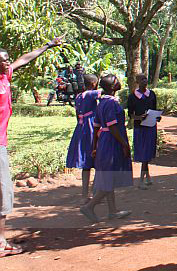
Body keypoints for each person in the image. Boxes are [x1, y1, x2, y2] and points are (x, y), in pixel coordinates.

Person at [0, 37, 63, 257]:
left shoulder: (6, 75)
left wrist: (48, 45)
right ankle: (1, 244)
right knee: (4, 193)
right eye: (3, 61)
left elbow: (24, 59)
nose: (7, 63)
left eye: (7, 60)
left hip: (2, 143)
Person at [81, 74, 133, 223]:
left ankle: (112, 211)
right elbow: (112, 127)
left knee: (108, 177)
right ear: (112, 87)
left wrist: (94, 147)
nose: (119, 81)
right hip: (112, 143)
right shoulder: (111, 104)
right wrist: (124, 144)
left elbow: (97, 127)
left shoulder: (101, 103)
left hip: (104, 142)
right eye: (117, 80)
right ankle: (89, 206)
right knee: (109, 178)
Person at [66, 73, 101, 204]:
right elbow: (106, 91)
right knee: (97, 159)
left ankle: (84, 195)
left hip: (81, 128)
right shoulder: (91, 94)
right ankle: (96, 193)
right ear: (93, 84)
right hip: (92, 127)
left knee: (86, 163)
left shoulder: (78, 96)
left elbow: (77, 115)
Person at [127, 73, 158, 189]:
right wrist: (140, 118)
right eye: (142, 79)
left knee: (148, 151)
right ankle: (141, 180)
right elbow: (131, 115)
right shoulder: (132, 97)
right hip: (140, 127)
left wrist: (157, 117)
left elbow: (154, 109)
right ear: (137, 82)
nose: (145, 81)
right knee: (143, 153)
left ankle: (147, 177)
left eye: (145, 78)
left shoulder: (152, 95)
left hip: (151, 126)